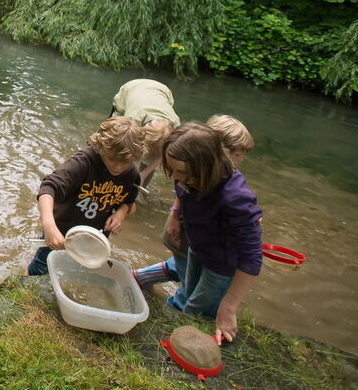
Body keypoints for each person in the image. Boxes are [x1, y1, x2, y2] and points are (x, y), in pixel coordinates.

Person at [133, 122, 262, 343]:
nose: (175, 177)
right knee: (186, 296)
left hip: (220, 265)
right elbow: (181, 191)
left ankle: (182, 345)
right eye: (170, 169)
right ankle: (170, 328)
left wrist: (229, 306)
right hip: (196, 248)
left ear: (206, 165)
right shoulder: (184, 174)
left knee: (196, 311)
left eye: (181, 172)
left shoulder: (234, 198)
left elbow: (252, 257)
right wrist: (174, 215)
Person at [136, 114, 256, 287]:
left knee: (187, 266)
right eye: (236, 154)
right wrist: (175, 215)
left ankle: (142, 277)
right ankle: (179, 299)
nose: (240, 160)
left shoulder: (216, 175)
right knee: (186, 267)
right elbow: (181, 188)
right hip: (187, 231)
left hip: (196, 234)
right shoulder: (192, 167)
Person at [26, 116, 145, 276]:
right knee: (42, 266)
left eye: (125, 162)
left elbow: (129, 200)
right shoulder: (83, 163)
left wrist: (120, 214)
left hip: (95, 236)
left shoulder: (131, 174)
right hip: (61, 231)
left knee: (77, 269)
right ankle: (27, 282)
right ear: (101, 147)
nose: (117, 167)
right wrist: (49, 226)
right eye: (112, 159)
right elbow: (48, 188)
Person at [110, 79, 181, 186]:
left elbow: (164, 154)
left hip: (161, 90)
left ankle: (140, 187)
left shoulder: (176, 126)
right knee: (114, 141)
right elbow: (123, 147)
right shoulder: (131, 120)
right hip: (131, 88)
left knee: (151, 157)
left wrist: (144, 174)